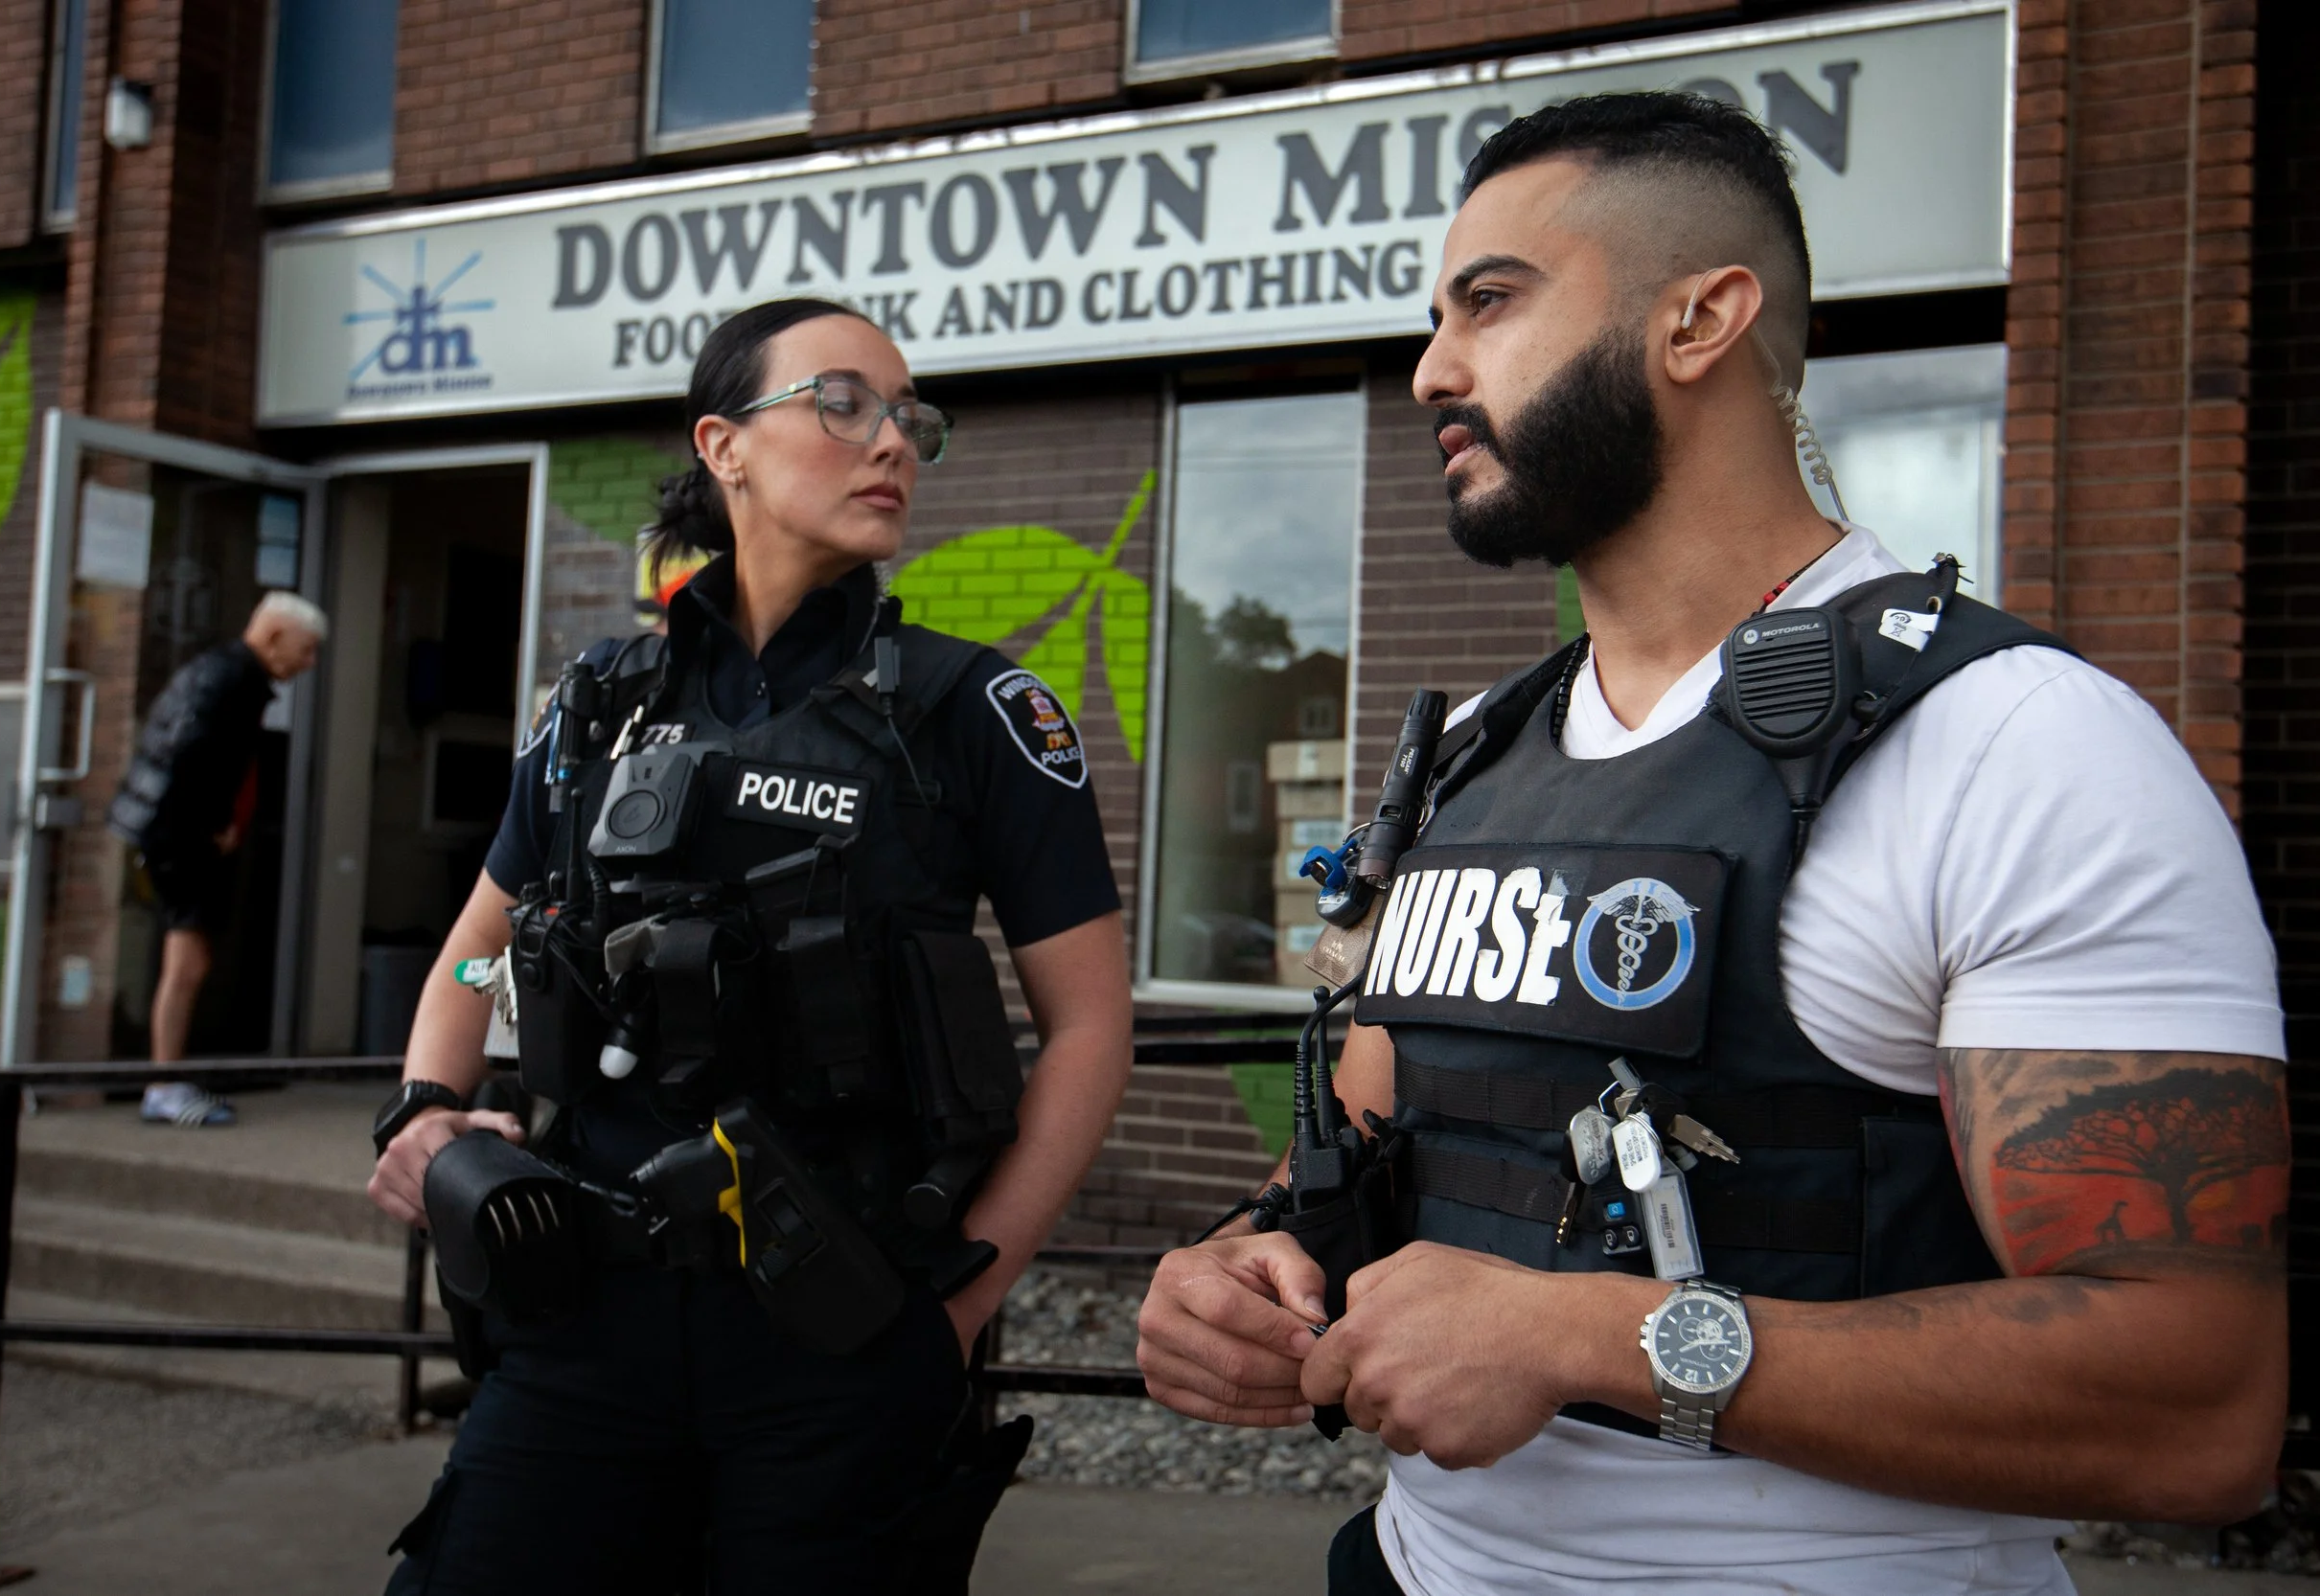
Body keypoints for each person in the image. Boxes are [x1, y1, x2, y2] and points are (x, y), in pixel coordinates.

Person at [1136, 92, 2289, 1596]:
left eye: (1492, 300)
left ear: (1701, 319)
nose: (1433, 368)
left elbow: (2196, 1404)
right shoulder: (1474, 756)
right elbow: (1353, 1165)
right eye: (1438, 315)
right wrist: (1236, 1271)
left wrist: (1592, 1336)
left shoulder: (2020, 747)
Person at [364, 298, 1134, 1593]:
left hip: (837, 1334)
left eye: (910, 418)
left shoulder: (978, 711)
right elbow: (482, 949)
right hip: (579, 1322)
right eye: (844, 403)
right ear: (724, 445)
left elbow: (1090, 1028)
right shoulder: (600, 701)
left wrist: (953, 1313)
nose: (891, 441)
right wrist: (428, 1105)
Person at [108, 591, 327, 1127]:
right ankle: (162, 1084)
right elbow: (190, 751)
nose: (309, 662)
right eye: (306, 649)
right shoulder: (230, 680)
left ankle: (166, 1079)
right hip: (179, 835)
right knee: (187, 961)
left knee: (190, 959)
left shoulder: (227, 674)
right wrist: (214, 826)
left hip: (169, 829)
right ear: (274, 636)